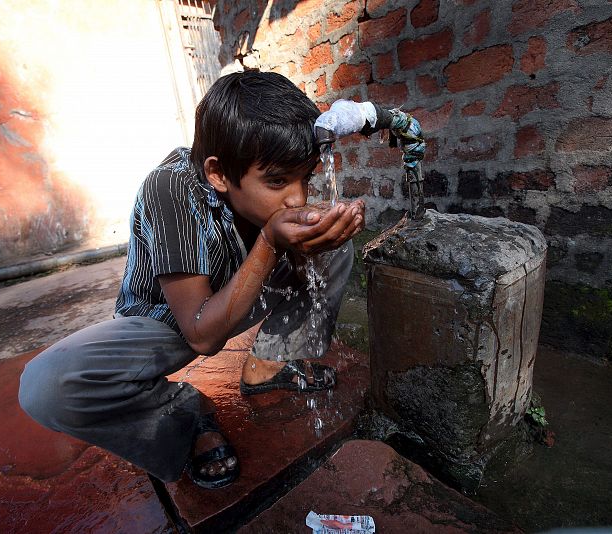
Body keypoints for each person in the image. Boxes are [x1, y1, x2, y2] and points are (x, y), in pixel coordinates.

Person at [18, 71, 366, 490]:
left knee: (332, 245)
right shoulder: (170, 188)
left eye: (305, 178)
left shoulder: (255, 177)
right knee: (47, 387)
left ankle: (268, 366)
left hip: (234, 297)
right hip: (169, 321)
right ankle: (185, 416)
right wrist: (271, 241)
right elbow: (202, 336)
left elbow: (290, 235)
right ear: (218, 173)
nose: (297, 198)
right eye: (277, 181)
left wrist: (318, 234)